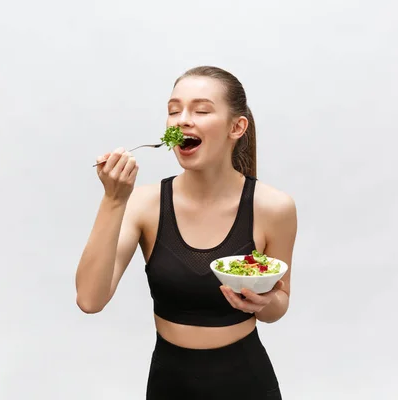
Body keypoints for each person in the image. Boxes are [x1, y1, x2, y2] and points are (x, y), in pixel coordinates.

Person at [75, 66, 297, 399]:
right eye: (173, 110)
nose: (182, 120)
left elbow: (278, 306)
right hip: (169, 384)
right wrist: (113, 200)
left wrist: (260, 303)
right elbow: (90, 300)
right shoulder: (144, 204)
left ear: (236, 127)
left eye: (201, 110)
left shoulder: (274, 207)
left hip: (247, 383)